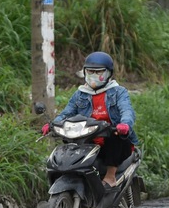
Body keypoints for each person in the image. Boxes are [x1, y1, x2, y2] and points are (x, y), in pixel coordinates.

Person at [42, 51, 139, 189]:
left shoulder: (118, 92)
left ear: (109, 73)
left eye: (99, 72)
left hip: (111, 138)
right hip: (87, 138)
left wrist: (124, 124)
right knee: (67, 144)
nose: (94, 76)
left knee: (115, 138)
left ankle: (110, 176)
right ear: (84, 72)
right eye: (90, 72)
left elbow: (127, 110)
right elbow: (67, 113)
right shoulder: (80, 94)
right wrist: (52, 125)